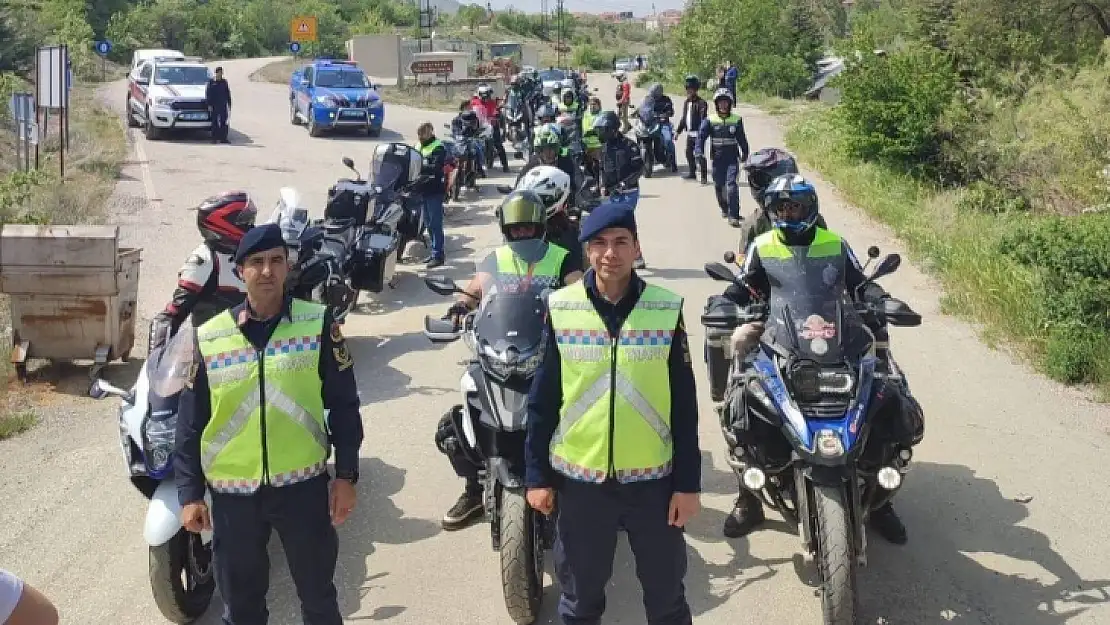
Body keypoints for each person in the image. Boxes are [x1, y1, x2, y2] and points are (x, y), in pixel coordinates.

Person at [174, 224, 365, 625]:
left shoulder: (318, 325)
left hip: (302, 490)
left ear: (288, 266)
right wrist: (190, 493)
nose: (267, 271)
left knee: (319, 601)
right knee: (242, 610)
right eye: (256, 263)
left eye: (276, 260)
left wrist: (346, 475)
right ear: (240, 271)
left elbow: (345, 405)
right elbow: (191, 422)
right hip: (232, 497)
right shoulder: (210, 337)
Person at [718, 174, 922, 544]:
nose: (788, 213)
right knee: (740, 382)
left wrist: (881, 299)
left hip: (834, 330)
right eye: (781, 207)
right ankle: (748, 499)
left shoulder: (834, 243)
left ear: (810, 207)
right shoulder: (762, 246)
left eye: (795, 205)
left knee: (882, 385)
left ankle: (881, 503)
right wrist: (726, 303)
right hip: (779, 329)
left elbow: (859, 283)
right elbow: (742, 286)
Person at [525, 201, 701, 625]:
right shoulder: (560, 308)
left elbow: (684, 404)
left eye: (621, 242)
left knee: (667, 602)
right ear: (587, 251)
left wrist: (688, 485)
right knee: (580, 603)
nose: (610, 253)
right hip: (581, 485)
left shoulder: (666, 308)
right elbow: (542, 398)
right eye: (600, 243)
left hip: (653, 485)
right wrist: (536, 476)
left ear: (637, 248)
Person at [435, 189, 584, 529]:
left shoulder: (561, 257)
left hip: (546, 349)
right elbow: (477, 287)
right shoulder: (497, 258)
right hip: (500, 345)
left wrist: (583, 306)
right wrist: (462, 305)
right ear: (506, 229)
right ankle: (474, 489)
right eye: (515, 229)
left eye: (527, 228)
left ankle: (591, 488)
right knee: (455, 423)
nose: (521, 234)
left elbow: (577, 288)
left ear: (540, 227)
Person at [148, 191, 257, 351]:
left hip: (249, 342)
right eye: (245, 222)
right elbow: (168, 317)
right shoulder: (204, 260)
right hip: (216, 352)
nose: (251, 226)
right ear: (225, 225)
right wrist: (156, 365)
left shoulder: (245, 253)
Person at [592, 110, 645, 269]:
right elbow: (601, 169)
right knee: (610, 226)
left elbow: (638, 170)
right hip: (611, 194)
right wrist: (601, 186)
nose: (600, 134)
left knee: (625, 223)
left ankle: (637, 255)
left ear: (613, 129)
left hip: (629, 193)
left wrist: (623, 185)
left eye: (603, 130)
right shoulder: (603, 149)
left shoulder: (630, 146)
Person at [696, 88, 749, 227]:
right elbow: (701, 137)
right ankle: (725, 208)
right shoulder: (710, 120)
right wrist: (698, 151)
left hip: (732, 159)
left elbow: (742, 138)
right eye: (721, 102)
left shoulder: (736, 120)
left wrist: (745, 152)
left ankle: (734, 215)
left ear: (730, 104)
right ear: (716, 104)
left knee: (731, 186)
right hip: (717, 159)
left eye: (726, 102)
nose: (723, 105)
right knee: (719, 185)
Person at [414, 122, 448, 268]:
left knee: (435, 223)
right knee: (427, 223)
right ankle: (434, 252)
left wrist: (420, 165)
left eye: (424, 134)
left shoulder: (438, 147)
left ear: (431, 132)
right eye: (419, 134)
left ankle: (438, 255)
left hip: (434, 189)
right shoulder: (417, 146)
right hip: (423, 189)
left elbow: (436, 166)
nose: (421, 137)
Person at [516, 125, 578, 192]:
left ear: (557, 149)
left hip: (561, 199)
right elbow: (518, 188)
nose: (548, 153)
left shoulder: (566, 163)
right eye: (544, 149)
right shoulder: (531, 166)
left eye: (552, 148)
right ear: (539, 151)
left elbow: (575, 186)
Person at [675, 75, 708, 184]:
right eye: (688, 89)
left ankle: (703, 176)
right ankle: (692, 173)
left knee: (699, 154)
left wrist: (702, 133)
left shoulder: (702, 103)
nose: (689, 91)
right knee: (688, 153)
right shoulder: (686, 103)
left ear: (696, 90)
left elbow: (704, 119)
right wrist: (678, 132)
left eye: (691, 89)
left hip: (699, 134)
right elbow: (684, 118)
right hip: (690, 134)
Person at [638, 83, 677, 173]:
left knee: (667, 140)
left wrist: (666, 113)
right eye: (653, 92)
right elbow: (643, 108)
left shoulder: (666, 100)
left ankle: (673, 162)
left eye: (655, 92)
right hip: (650, 123)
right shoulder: (648, 99)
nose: (653, 94)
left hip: (663, 123)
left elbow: (671, 111)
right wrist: (637, 112)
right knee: (639, 131)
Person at [471, 84, 509, 173]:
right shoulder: (474, 102)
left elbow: (495, 111)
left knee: (498, 144)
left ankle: (505, 165)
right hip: (479, 126)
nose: (485, 97)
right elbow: (470, 111)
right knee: (472, 145)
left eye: (487, 95)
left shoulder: (492, 103)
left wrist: (495, 116)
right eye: (483, 95)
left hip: (492, 125)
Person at [452, 101, 486, 179]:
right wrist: (458, 134)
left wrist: (476, 132)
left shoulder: (474, 117)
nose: (471, 108)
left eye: (471, 106)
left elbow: (477, 128)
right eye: (469, 106)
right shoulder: (456, 119)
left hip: (471, 140)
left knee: (478, 149)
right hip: (460, 141)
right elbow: (454, 130)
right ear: (464, 107)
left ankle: (480, 168)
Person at [205, 66, 232, 144]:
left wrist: (229, 103)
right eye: (219, 72)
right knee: (215, 123)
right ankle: (214, 139)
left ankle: (223, 138)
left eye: (221, 73)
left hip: (223, 105)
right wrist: (209, 104)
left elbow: (227, 93)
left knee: (224, 122)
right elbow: (208, 94)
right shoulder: (211, 82)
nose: (220, 74)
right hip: (214, 105)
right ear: (216, 73)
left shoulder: (224, 82)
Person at [581, 97, 603, 179]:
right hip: (587, 145)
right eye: (591, 104)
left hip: (598, 145)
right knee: (588, 166)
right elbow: (585, 128)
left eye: (594, 104)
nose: (592, 106)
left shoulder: (602, 115)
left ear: (599, 106)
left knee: (598, 166)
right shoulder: (586, 115)